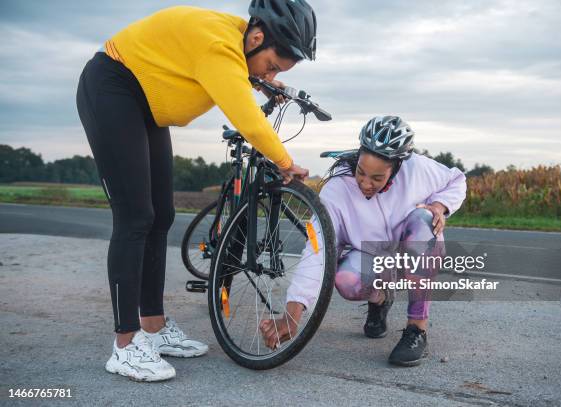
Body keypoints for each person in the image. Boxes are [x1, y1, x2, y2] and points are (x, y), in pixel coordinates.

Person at [75, 0, 317, 381]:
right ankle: (125, 346)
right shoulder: (218, 44)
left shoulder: (237, 39)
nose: (270, 73)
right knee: (134, 216)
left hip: (145, 102)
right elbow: (247, 117)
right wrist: (286, 162)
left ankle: (152, 328)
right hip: (112, 86)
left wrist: (262, 79)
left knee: (161, 215)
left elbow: (239, 72)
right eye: (271, 65)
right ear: (257, 37)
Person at [259, 116, 467, 366]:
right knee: (346, 279)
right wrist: (292, 315)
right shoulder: (336, 191)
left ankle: (416, 330)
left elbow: (457, 180)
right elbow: (318, 251)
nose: (366, 184)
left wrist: (439, 205)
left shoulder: (417, 169)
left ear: (397, 168)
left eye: (377, 178)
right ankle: (379, 299)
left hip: (413, 256)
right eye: (361, 172)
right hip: (374, 260)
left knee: (424, 221)